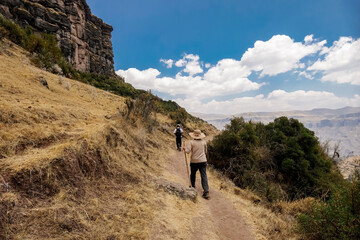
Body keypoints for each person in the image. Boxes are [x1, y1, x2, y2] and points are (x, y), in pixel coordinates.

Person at [183, 129, 210, 199]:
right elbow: (205, 152)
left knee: (193, 174)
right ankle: (206, 191)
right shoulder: (204, 142)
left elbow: (187, 151)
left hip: (194, 161)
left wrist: (184, 149)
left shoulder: (191, 142)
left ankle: (193, 187)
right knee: (203, 175)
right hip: (203, 161)